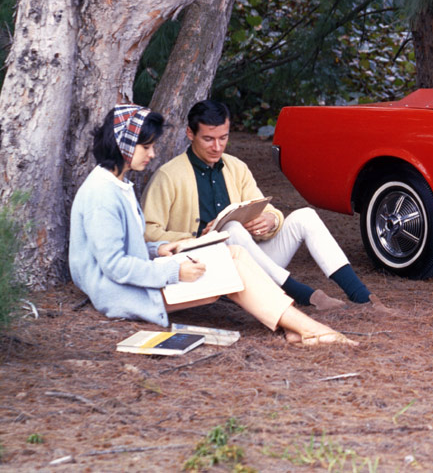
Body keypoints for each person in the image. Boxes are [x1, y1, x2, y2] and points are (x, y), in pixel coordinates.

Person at [70, 105, 354, 346]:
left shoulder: (117, 184)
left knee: (236, 255)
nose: (153, 154)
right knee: (232, 265)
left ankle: (296, 328)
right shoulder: (102, 194)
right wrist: (174, 268)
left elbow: (130, 248)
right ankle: (308, 329)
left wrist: (161, 248)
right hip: (126, 293)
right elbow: (114, 266)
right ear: (125, 146)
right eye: (146, 147)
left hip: (147, 276)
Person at [142, 100, 383, 312]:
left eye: (223, 138)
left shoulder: (236, 167)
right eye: (208, 139)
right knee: (233, 229)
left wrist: (271, 221)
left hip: (254, 264)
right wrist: (195, 237)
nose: (217, 147)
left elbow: (266, 209)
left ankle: (361, 296)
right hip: (204, 268)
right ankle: (301, 293)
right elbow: (148, 232)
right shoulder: (168, 175)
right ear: (190, 134)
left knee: (305, 217)